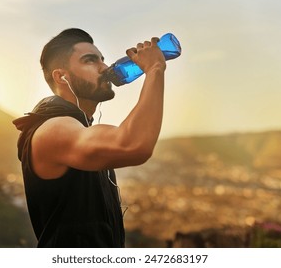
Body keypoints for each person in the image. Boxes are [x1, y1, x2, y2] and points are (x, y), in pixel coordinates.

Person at [13, 28, 166, 248]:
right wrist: (155, 68)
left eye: (102, 60)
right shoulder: (53, 128)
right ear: (61, 76)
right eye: (90, 61)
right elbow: (133, 144)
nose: (105, 67)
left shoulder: (79, 126)